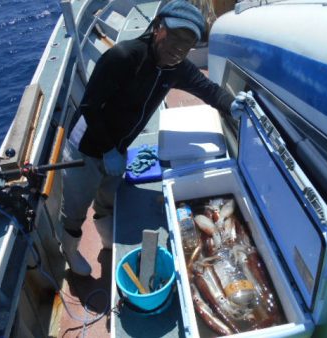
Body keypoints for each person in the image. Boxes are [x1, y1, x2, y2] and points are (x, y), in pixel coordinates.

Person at [59, 0, 237, 276]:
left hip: (118, 146)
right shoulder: (122, 57)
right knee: (76, 207)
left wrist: (234, 105)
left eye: (187, 43)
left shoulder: (176, 66)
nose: (179, 48)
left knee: (108, 198)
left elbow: (208, 90)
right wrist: (107, 150)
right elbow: (89, 106)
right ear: (157, 28)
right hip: (87, 146)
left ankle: (107, 238)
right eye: (175, 37)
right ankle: (70, 251)